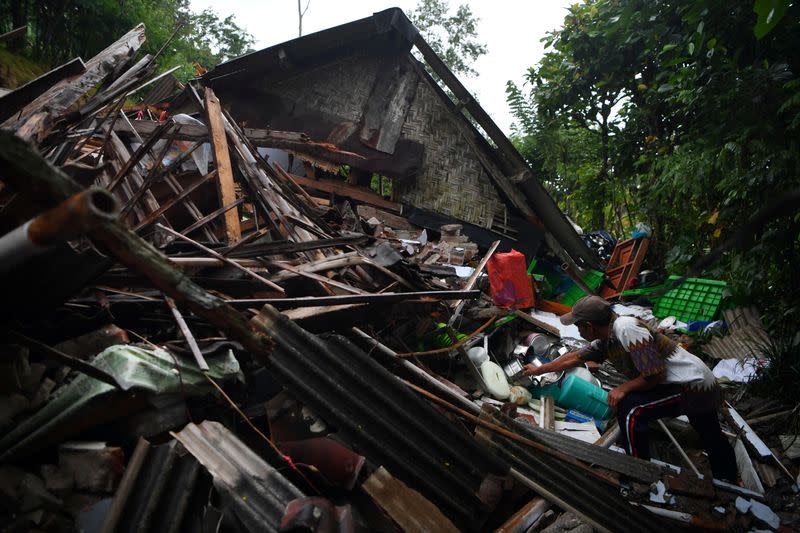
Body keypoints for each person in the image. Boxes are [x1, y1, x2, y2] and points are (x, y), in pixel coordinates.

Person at [523, 295, 738, 482]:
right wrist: (539, 370)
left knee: (632, 410)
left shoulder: (626, 328)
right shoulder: (607, 339)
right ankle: (728, 478)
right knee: (709, 431)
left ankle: (638, 473)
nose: (578, 331)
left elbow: (655, 374)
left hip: (691, 385)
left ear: (589, 326)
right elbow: (576, 357)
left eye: (578, 326)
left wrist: (623, 388)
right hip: (688, 381)